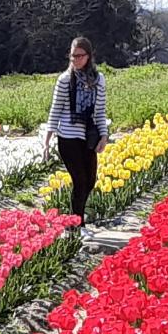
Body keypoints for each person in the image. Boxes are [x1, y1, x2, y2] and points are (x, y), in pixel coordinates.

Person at [42, 36, 109, 221]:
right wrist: (47, 141)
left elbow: (100, 111)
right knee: (79, 180)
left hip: (88, 135)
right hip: (68, 136)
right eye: (73, 56)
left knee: (90, 181)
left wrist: (104, 136)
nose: (76, 60)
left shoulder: (98, 80)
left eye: (80, 56)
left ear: (89, 56)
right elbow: (55, 110)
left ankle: (75, 220)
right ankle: (76, 224)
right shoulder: (65, 80)